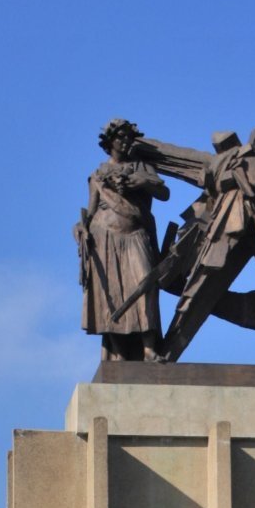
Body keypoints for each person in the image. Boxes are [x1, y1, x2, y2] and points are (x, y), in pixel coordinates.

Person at [74, 118, 169, 361]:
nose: (125, 141)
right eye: (120, 137)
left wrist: (142, 182)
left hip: (136, 234)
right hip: (104, 237)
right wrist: (80, 227)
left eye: (128, 137)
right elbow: (91, 209)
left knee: (145, 284)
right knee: (111, 294)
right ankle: (118, 353)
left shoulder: (141, 168)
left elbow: (164, 193)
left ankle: (149, 349)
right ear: (109, 142)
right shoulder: (98, 175)